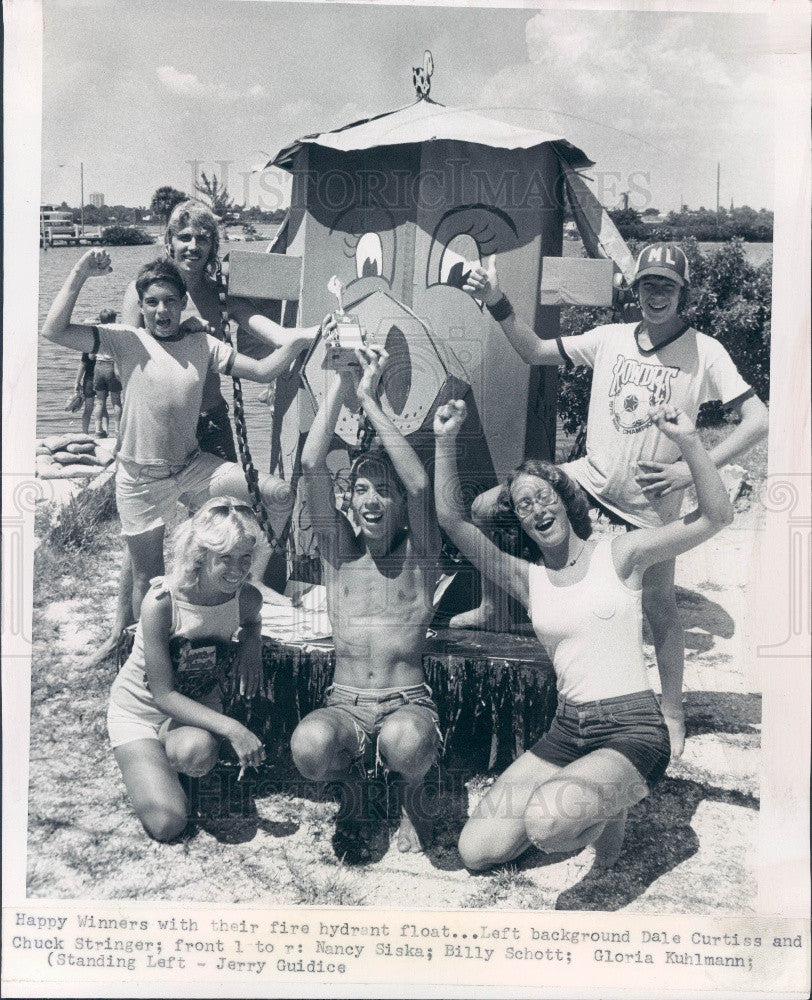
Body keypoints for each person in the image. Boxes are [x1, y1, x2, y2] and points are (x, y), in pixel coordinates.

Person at [459, 243, 768, 757]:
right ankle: (497, 606)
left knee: (659, 606)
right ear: (636, 288)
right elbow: (535, 350)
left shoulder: (705, 351)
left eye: (666, 285)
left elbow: (758, 419)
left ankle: (670, 710)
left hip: (648, 506)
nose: (655, 294)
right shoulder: (610, 339)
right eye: (648, 283)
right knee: (488, 508)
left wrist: (688, 467)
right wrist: (497, 299)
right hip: (588, 482)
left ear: (683, 293)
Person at [433, 396, 733, 873]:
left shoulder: (621, 554)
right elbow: (453, 520)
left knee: (549, 822)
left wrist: (690, 442)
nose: (536, 509)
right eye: (523, 504)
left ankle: (610, 801)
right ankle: (592, 796)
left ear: (564, 498)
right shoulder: (526, 580)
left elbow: (716, 517)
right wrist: (445, 441)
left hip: (632, 728)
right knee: (476, 852)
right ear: (521, 521)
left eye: (543, 495)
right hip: (567, 730)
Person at [42, 249, 320, 622]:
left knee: (279, 495)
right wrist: (81, 273)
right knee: (151, 580)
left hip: (191, 468)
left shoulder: (203, 344)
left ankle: (250, 590)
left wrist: (300, 342)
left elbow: (263, 371)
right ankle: (147, 652)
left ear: (183, 303)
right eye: (152, 303)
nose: (161, 311)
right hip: (139, 479)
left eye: (170, 301)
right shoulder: (125, 340)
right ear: (140, 306)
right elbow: (54, 331)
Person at [290, 345, 442, 853]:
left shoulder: (419, 558)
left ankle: (410, 794)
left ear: (399, 506)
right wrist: (340, 380)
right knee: (308, 748)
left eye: (383, 491)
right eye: (361, 489)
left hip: (407, 703)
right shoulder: (340, 556)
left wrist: (370, 400)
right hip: (345, 703)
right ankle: (354, 787)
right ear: (349, 501)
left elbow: (421, 483)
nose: (372, 500)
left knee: (406, 742)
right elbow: (311, 462)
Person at [106, 498, 267, 841]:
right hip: (139, 712)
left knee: (197, 752)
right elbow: (162, 694)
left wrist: (251, 643)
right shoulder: (163, 602)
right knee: (167, 825)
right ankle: (147, 763)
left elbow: (253, 621)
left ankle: (168, 765)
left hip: (190, 713)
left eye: (245, 558)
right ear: (200, 554)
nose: (237, 570)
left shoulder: (246, 598)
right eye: (225, 558)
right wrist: (233, 729)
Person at [91, 307, 123, 438]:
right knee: (116, 401)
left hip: (98, 367)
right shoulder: (117, 332)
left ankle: (98, 430)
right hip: (112, 366)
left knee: (99, 401)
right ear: (114, 319)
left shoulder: (96, 332)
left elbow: (91, 357)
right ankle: (118, 431)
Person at [73, 350, 96, 434]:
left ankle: (85, 432)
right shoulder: (107, 344)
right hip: (103, 376)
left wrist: (77, 381)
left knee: (88, 408)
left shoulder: (88, 346)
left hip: (90, 379)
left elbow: (82, 365)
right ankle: (101, 431)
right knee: (102, 405)